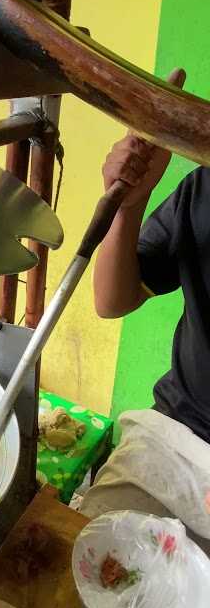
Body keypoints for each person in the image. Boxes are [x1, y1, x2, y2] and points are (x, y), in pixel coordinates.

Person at [81, 68, 210, 550]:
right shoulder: (203, 190)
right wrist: (129, 204)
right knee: (90, 557)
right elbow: (112, 300)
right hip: (179, 436)